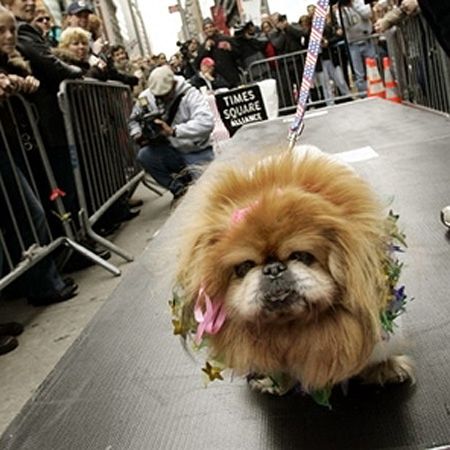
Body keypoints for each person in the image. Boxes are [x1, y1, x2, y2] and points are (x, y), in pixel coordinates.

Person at [128, 65, 214, 202]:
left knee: (210, 195)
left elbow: (207, 123)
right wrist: (138, 134)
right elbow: (133, 120)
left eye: (165, 94)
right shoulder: (145, 98)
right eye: (158, 96)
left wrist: (174, 131)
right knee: (145, 155)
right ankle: (178, 187)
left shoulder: (190, 94)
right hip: (169, 149)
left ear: (173, 84)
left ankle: (191, 176)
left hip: (195, 150)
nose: (162, 98)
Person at [338, 0, 376, 94]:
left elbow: (368, 14)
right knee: (359, 73)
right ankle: (364, 94)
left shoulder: (360, 2)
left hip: (367, 39)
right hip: (353, 44)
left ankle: (377, 89)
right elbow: (344, 26)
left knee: (373, 67)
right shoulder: (340, 9)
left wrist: (354, 6)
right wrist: (343, 11)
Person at [197, 20, 242, 88]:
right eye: (206, 28)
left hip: (232, 77)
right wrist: (206, 49)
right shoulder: (202, 47)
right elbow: (198, 64)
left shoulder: (226, 39)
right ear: (204, 31)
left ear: (215, 28)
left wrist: (230, 48)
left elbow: (239, 54)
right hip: (217, 82)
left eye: (210, 27)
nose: (209, 30)